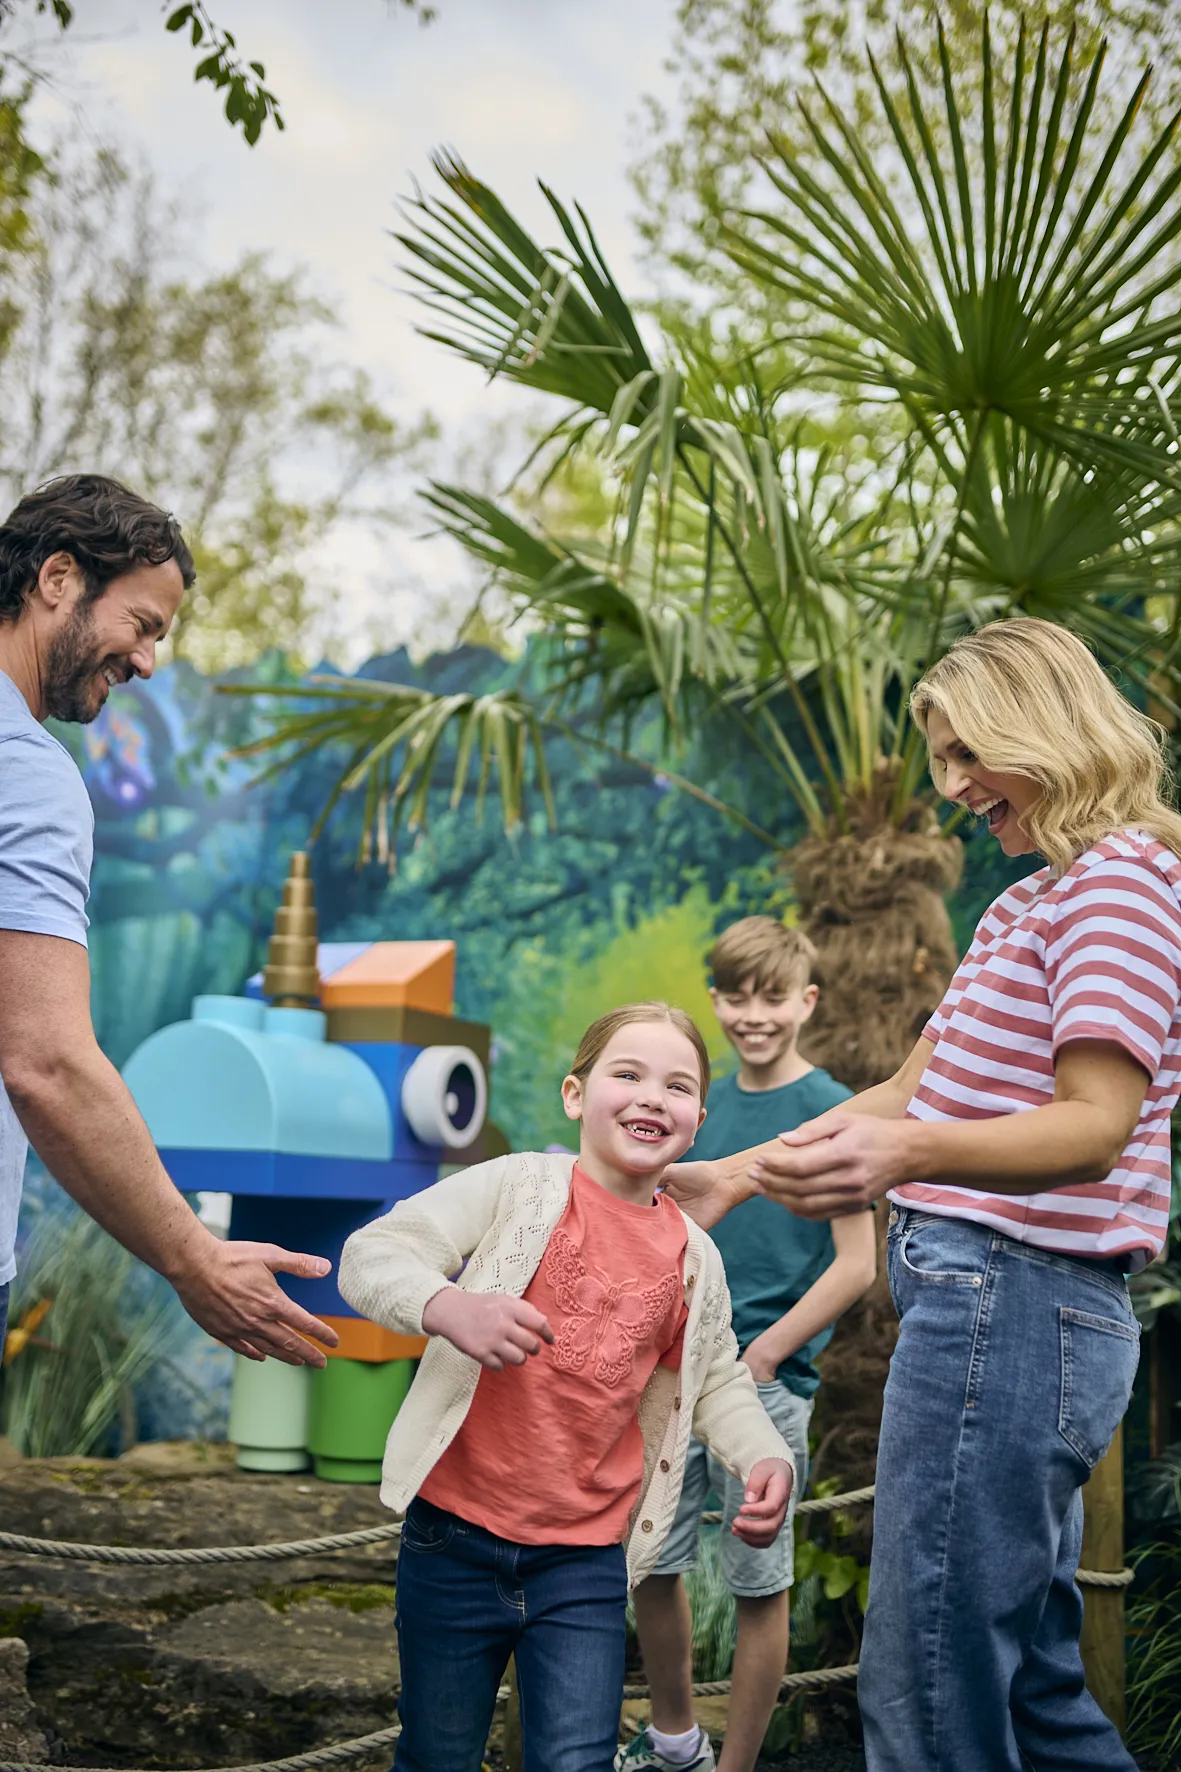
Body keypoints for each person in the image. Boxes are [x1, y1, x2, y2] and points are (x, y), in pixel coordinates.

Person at [666, 616, 1180, 1772]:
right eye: (936, 760)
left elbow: (1092, 1125)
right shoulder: (1026, 904)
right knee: (1035, 1689)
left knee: (927, 1676)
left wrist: (904, 1162)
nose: (948, 788)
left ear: (1038, 728)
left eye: (963, 754)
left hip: (1013, 1302)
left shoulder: (1117, 887)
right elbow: (905, 1087)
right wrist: (738, 1171)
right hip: (992, 1306)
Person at [337, 1001, 796, 1772]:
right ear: (574, 1096)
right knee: (437, 1757)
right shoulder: (516, 1187)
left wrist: (762, 1458)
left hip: (582, 1562)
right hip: (451, 1537)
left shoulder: (695, 1257)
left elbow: (714, 1377)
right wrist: (448, 1307)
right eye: (628, 1074)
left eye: (676, 1087)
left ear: (697, 1122)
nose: (652, 1096)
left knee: (576, 1762)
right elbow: (375, 1252)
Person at [0, 474, 338, 1370]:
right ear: (58, 579)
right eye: (143, 625)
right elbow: (45, 1061)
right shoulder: (26, 772)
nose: (148, 662)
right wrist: (196, 1260)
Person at [620, 919, 876, 1772]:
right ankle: (674, 1743)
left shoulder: (837, 1110)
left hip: (762, 1386)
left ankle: (735, 1767)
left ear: (806, 1001)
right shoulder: (695, 1103)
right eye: (735, 996)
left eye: (772, 997)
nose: (752, 1015)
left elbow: (855, 1264)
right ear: (714, 1000)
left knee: (757, 1582)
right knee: (652, 1561)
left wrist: (762, 1355)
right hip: (665, 1375)